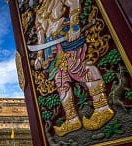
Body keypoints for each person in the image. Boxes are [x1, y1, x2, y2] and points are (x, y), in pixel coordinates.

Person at [33, 0, 114, 136]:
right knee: (60, 80)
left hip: (67, 37)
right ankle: (72, 119)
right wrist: (40, 56)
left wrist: (74, 26)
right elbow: (41, 35)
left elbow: (74, 3)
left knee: (79, 68)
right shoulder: (38, 13)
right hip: (51, 47)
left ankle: (102, 108)